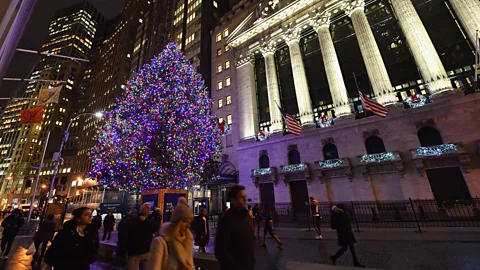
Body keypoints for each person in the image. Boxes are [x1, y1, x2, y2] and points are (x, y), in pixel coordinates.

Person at [147, 197, 194, 270]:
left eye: (189, 222)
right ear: (177, 222)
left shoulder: (187, 242)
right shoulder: (160, 243)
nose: (188, 225)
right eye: (185, 221)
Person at [215, 185, 254, 270]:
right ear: (233, 200)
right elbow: (220, 251)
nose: (245, 199)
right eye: (241, 197)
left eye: (245, 196)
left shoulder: (246, 217)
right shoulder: (226, 219)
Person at [117, 203, 159, 270]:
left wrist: (146, 220)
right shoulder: (134, 220)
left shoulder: (149, 220)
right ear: (142, 209)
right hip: (135, 251)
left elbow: (156, 227)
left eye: (149, 208)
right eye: (146, 208)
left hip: (146, 251)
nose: (148, 210)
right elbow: (124, 232)